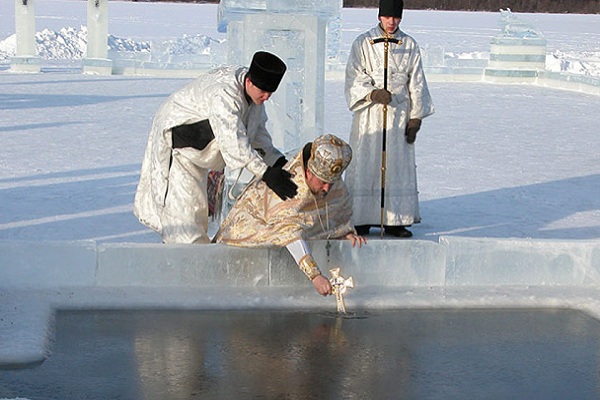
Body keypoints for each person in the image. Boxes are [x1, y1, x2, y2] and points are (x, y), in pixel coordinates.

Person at [134, 51, 298, 244]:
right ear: (249, 82)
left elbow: (256, 135)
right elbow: (233, 141)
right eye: (263, 91)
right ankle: (181, 265)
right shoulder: (225, 95)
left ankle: (196, 263)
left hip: (201, 151)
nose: (267, 97)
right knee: (185, 221)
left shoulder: (255, 98)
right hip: (180, 145)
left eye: (270, 93)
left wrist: (277, 162)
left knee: (199, 213)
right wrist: (265, 173)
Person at [214, 134, 366, 296]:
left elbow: (339, 207)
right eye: (323, 182)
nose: (327, 189)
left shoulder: (329, 178)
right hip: (247, 242)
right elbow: (289, 232)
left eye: (331, 183)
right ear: (308, 172)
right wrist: (315, 276)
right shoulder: (289, 188)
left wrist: (344, 232)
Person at [344, 0, 434, 238]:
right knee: (366, 162)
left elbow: (417, 82)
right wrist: (371, 93)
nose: (391, 22)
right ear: (379, 16)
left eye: (395, 18)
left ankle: (396, 220)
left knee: (396, 166)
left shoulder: (410, 45)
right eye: (387, 17)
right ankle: (362, 217)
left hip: (397, 114)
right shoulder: (363, 42)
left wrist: (416, 118)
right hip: (369, 115)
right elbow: (354, 75)